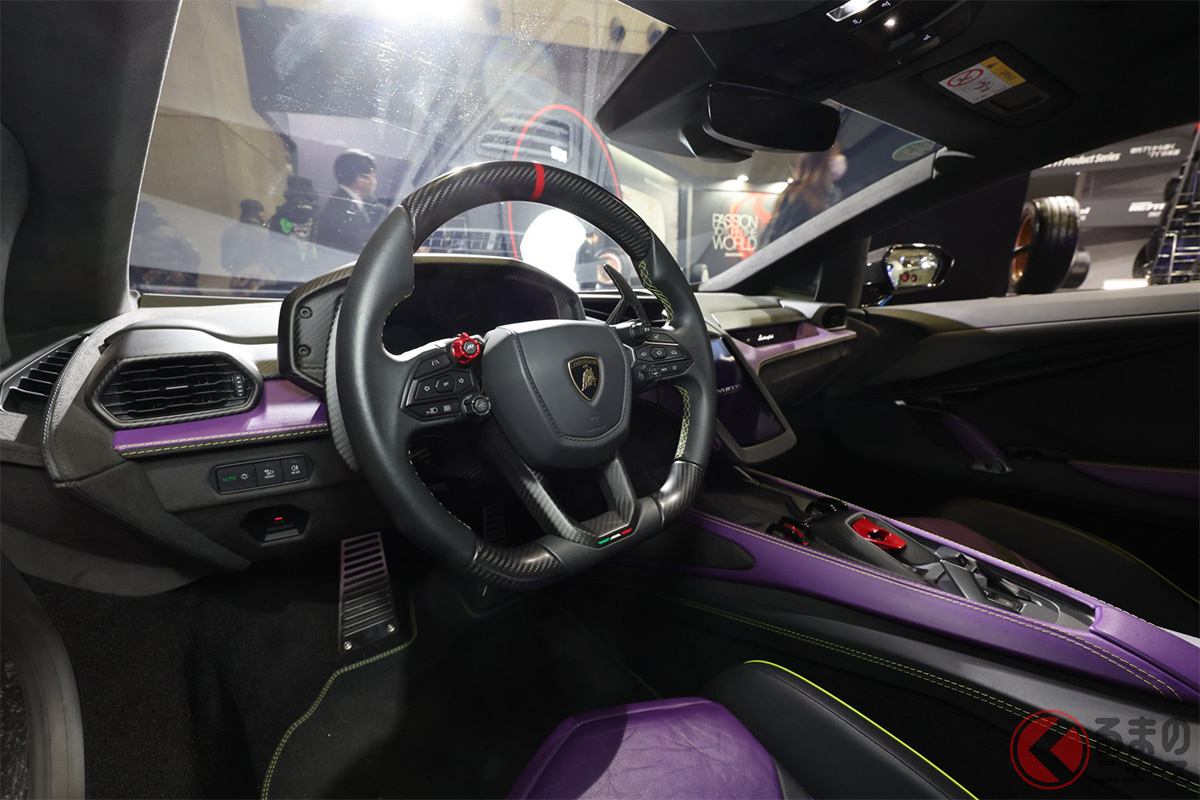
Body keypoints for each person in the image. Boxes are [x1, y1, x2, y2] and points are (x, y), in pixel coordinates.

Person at [761, 142, 847, 246]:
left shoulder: (831, 194)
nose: (839, 159)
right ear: (822, 161)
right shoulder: (803, 196)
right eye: (835, 154)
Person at [315, 149, 386, 255]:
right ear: (360, 179)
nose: (374, 182)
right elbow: (358, 247)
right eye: (372, 176)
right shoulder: (343, 211)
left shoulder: (343, 202)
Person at [129, 200, 201, 293]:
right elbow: (194, 258)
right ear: (154, 215)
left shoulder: (132, 238)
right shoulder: (170, 232)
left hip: (152, 289)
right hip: (178, 286)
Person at [268, 176, 320, 280]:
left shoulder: (279, 217)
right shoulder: (317, 216)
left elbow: (274, 245)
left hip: (288, 270)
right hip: (316, 270)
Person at [220, 199, 269, 279]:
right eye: (262, 214)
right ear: (259, 214)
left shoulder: (231, 231)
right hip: (258, 280)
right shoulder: (265, 234)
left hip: (239, 279)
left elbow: (225, 263)